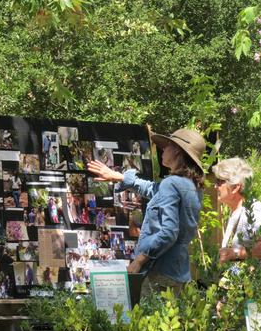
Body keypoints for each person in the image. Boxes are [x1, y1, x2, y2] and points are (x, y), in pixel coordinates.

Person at [87, 127, 205, 296]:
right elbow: (152, 189)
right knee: (170, 321)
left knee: (150, 320)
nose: (163, 149)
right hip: (177, 271)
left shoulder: (172, 184)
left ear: (178, 152)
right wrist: (119, 176)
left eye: (167, 146)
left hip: (159, 272)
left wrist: (140, 260)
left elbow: (169, 233)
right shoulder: (191, 186)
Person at [213, 158, 261, 264]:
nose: (215, 186)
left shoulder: (253, 212)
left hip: (256, 279)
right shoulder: (237, 210)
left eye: (219, 182)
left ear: (235, 187)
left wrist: (236, 253)